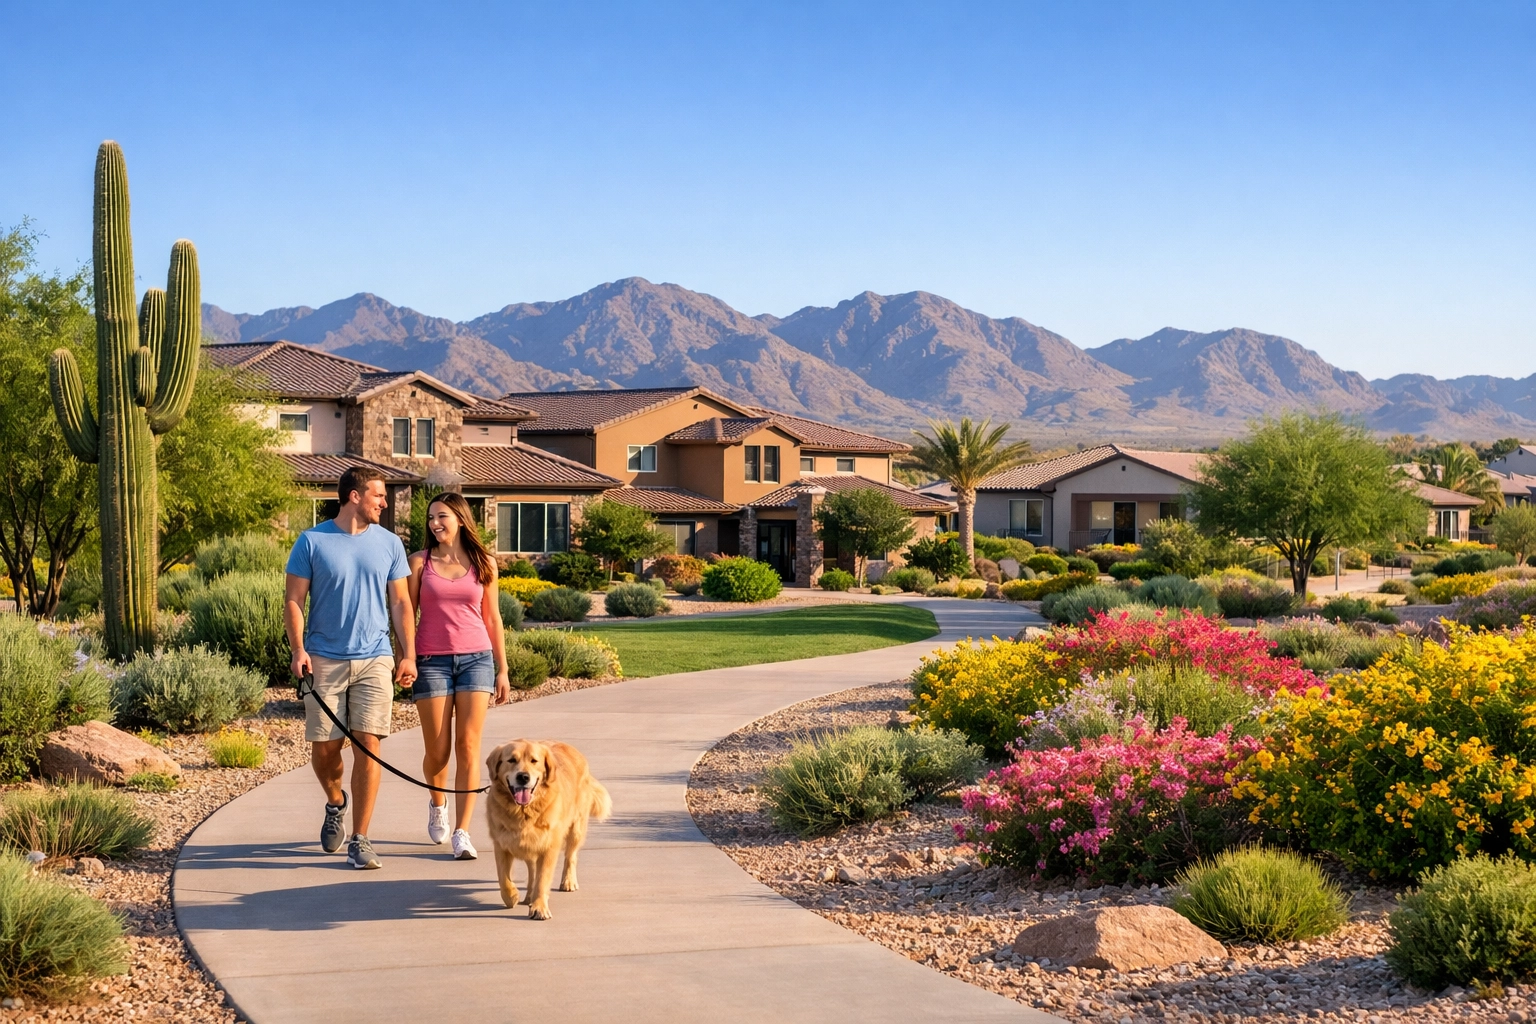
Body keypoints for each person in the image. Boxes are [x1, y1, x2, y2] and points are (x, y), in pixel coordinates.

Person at [285, 466, 417, 870]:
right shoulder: (312, 541)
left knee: (368, 745)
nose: (385, 502)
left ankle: (361, 838)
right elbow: (294, 600)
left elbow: (399, 602)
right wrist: (298, 649)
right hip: (324, 657)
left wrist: (406, 653)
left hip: (375, 657)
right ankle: (335, 800)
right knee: (325, 750)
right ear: (354, 496)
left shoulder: (390, 544)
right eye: (378, 495)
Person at [408, 493, 511, 860]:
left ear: (461, 520)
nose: (435, 523)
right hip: (431, 660)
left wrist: (503, 668)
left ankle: (462, 832)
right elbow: (406, 615)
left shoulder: (485, 563)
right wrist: (406, 657)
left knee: (468, 746)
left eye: (442, 516)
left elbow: (493, 618)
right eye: (431, 518)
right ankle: (438, 804)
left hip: (476, 660)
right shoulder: (419, 563)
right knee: (437, 751)